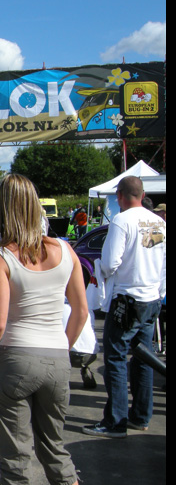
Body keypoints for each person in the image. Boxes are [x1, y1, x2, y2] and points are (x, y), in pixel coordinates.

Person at [0, 173, 91, 485]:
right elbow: (81, 312)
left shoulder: (1, 256)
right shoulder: (66, 251)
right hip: (56, 360)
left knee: (15, 453)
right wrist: (60, 348)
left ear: (1, 211)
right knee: (54, 447)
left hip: (15, 361)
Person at [83, 176, 166, 438]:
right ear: (142, 194)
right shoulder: (157, 222)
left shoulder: (121, 221)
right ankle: (140, 416)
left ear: (120, 196)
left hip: (127, 298)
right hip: (151, 297)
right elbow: (162, 261)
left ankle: (115, 421)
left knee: (116, 358)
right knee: (143, 358)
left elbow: (109, 263)